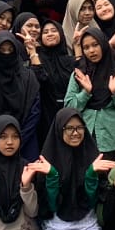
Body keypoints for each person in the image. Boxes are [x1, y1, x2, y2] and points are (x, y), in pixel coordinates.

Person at [37, 108, 108, 230]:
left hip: (87, 225)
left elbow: (92, 202)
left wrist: (91, 175)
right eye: (69, 128)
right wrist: (52, 177)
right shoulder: (47, 160)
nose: (75, 133)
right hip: (57, 227)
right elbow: (50, 206)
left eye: (80, 128)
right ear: (59, 130)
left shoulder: (93, 156)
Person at [65, 27, 115, 157]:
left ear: (103, 44)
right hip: (84, 140)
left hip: (113, 141)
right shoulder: (79, 74)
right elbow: (68, 108)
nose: (91, 50)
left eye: (95, 45)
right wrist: (85, 93)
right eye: (86, 47)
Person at [0, 31, 42, 161]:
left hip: (27, 142)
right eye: (2, 50)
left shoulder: (28, 77)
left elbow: (35, 110)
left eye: (10, 50)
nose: (7, 54)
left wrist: (19, 138)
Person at [29, 15, 76, 148]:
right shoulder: (37, 59)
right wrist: (33, 52)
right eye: (45, 32)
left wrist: (77, 45)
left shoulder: (69, 60)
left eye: (54, 30)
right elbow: (41, 79)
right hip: (45, 116)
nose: (50, 34)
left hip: (69, 113)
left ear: (61, 34)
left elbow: (81, 77)